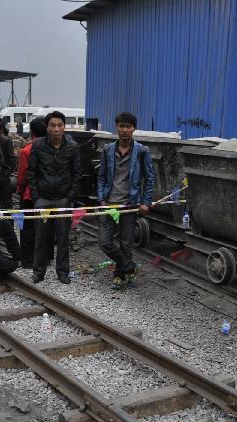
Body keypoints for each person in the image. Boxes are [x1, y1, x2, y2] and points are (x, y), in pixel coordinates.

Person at [96, 112, 156, 290]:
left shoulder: (142, 152)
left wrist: (146, 201)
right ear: (116, 127)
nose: (124, 130)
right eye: (121, 126)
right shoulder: (108, 150)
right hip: (109, 204)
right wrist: (101, 199)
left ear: (133, 129)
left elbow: (149, 178)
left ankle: (120, 276)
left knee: (126, 242)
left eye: (128, 127)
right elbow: (101, 177)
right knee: (104, 242)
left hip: (129, 205)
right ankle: (129, 267)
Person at [27, 110, 82, 284]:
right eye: (52, 125)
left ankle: (63, 271)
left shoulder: (72, 147)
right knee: (41, 238)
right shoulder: (37, 146)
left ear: (64, 127)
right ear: (47, 127)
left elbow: (77, 174)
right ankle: (38, 271)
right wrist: (36, 196)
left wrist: (70, 196)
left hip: (63, 199)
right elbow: (32, 172)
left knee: (63, 238)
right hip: (43, 198)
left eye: (60, 125)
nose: (56, 129)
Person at [15, 117, 46, 269]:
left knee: (27, 228)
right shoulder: (51, 148)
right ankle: (45, 258)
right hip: (48, 194)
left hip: (29, 195)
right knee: (45, 226)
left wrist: (20, 191)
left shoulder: (26, 150)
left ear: (32, 132)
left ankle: (27, 260)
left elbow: (22, 176)